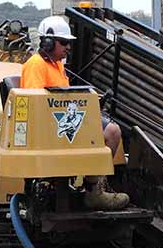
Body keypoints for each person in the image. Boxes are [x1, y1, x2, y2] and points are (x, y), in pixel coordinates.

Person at [21, 16, 128, 210]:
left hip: (66, 119)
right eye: (64, 43)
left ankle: (93, 189)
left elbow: (64, 95)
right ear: (48, 42)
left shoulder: (57, 65)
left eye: (69, 43)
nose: (68, 48)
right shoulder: (36, 65)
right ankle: (93, 191)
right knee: (111, 132)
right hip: (51, 125)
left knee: (113, 132)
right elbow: (36, 102)